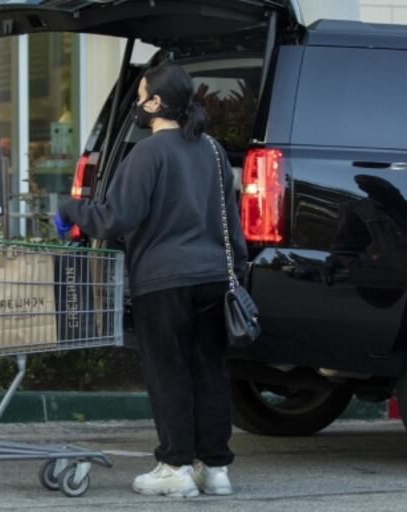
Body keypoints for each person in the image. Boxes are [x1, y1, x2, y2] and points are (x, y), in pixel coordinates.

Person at [54, 63, 248, 498]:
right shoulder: (213, 150)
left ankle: (175, 465)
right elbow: (231, 222)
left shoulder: (147, 152)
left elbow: (115, 218)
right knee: (210, 371)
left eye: (140, 94)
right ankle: (214, 468)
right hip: (215, 275)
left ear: (156, 103)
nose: (137, 103)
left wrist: (70, 209)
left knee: (169, 372)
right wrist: (238, 269)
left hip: (163, 280)